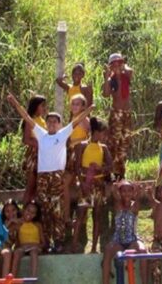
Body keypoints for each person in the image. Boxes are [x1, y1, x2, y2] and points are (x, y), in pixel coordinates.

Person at [8, 92, 93, 252]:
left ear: (60, 125)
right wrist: (14, 102)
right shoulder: (41, 134)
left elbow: (77, 121)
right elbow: (26, 117)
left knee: (57, 209)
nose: (52, 123)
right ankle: (45, 242)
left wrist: (89, 109)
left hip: (56, 176)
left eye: (56, 121)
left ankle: (59, 241)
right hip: (42, 177)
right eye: (50, 121)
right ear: (46, 124)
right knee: (44, 208)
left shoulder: (62, 135)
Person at [73, 117, 113, 253]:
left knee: (97, 216)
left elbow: (110, 166)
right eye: (102, 133)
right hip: (86, 186)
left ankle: (94, 247)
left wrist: (100, 169)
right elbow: (77, 166)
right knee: (81, 215)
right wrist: (82, 183)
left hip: (98, 186)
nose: (104, 136)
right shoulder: (82, 146)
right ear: (95, 131)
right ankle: (74, 244)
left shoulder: (104, 148)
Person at [102, 181, 147, 284]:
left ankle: (145, 282)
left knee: (143, 250)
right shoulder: (117, 205)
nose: (126, 194)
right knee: (108, 249)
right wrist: (115, 187)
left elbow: (139, 197)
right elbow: (115, 193)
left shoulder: (135, 205)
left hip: (133, 240)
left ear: (133, 192)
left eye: (129, 191)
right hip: (119, 240)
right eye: (123, 191)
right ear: (120, 193)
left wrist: (138, 190)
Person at [63, 94, 91, 242]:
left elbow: (90, 137)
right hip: (70, 153)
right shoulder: (72, 119)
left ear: (83, 107)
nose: (74, 107)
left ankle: (71, 217)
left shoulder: (84, 120)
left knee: (68, 183)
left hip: (79, 154)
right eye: (73, 104)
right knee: (70, 185)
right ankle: (70, 217)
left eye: (78, 104)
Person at [102, 53, 134, 180]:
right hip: (116, 114)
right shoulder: (112, 80)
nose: (116, 66)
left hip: (127, 114)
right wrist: (106, 77)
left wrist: (122, 66)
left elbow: (130, 70)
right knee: (113, 143)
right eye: (113, 64)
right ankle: (110, 172)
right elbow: (105, 94)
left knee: (124, 143)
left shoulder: (127, 75)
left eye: (118, 63)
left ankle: (120, 172)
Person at [21, 95, 47, 204]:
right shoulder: (30, 120)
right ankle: (24, 211)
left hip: (43, 155)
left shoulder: (43, 120)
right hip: (33, 155)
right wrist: (40, 144)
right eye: (42, 106)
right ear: (35, 106)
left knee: (38, 187)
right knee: (30, 186)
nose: (45, 108)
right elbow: (26, 139)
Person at [11, 201, 44, 278]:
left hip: (35, 247)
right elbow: (13, 238)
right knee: (17, 252)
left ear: (35, 215)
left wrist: (35, 245)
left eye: (33, 213)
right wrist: (11, 221)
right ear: (23, 210)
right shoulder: (18, 223)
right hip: (23, 247)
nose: (29, 214)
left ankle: (33, 278)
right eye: (28, 210)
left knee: (33, 252)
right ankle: (12, 278)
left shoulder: (37, 225)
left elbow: (43, 242)